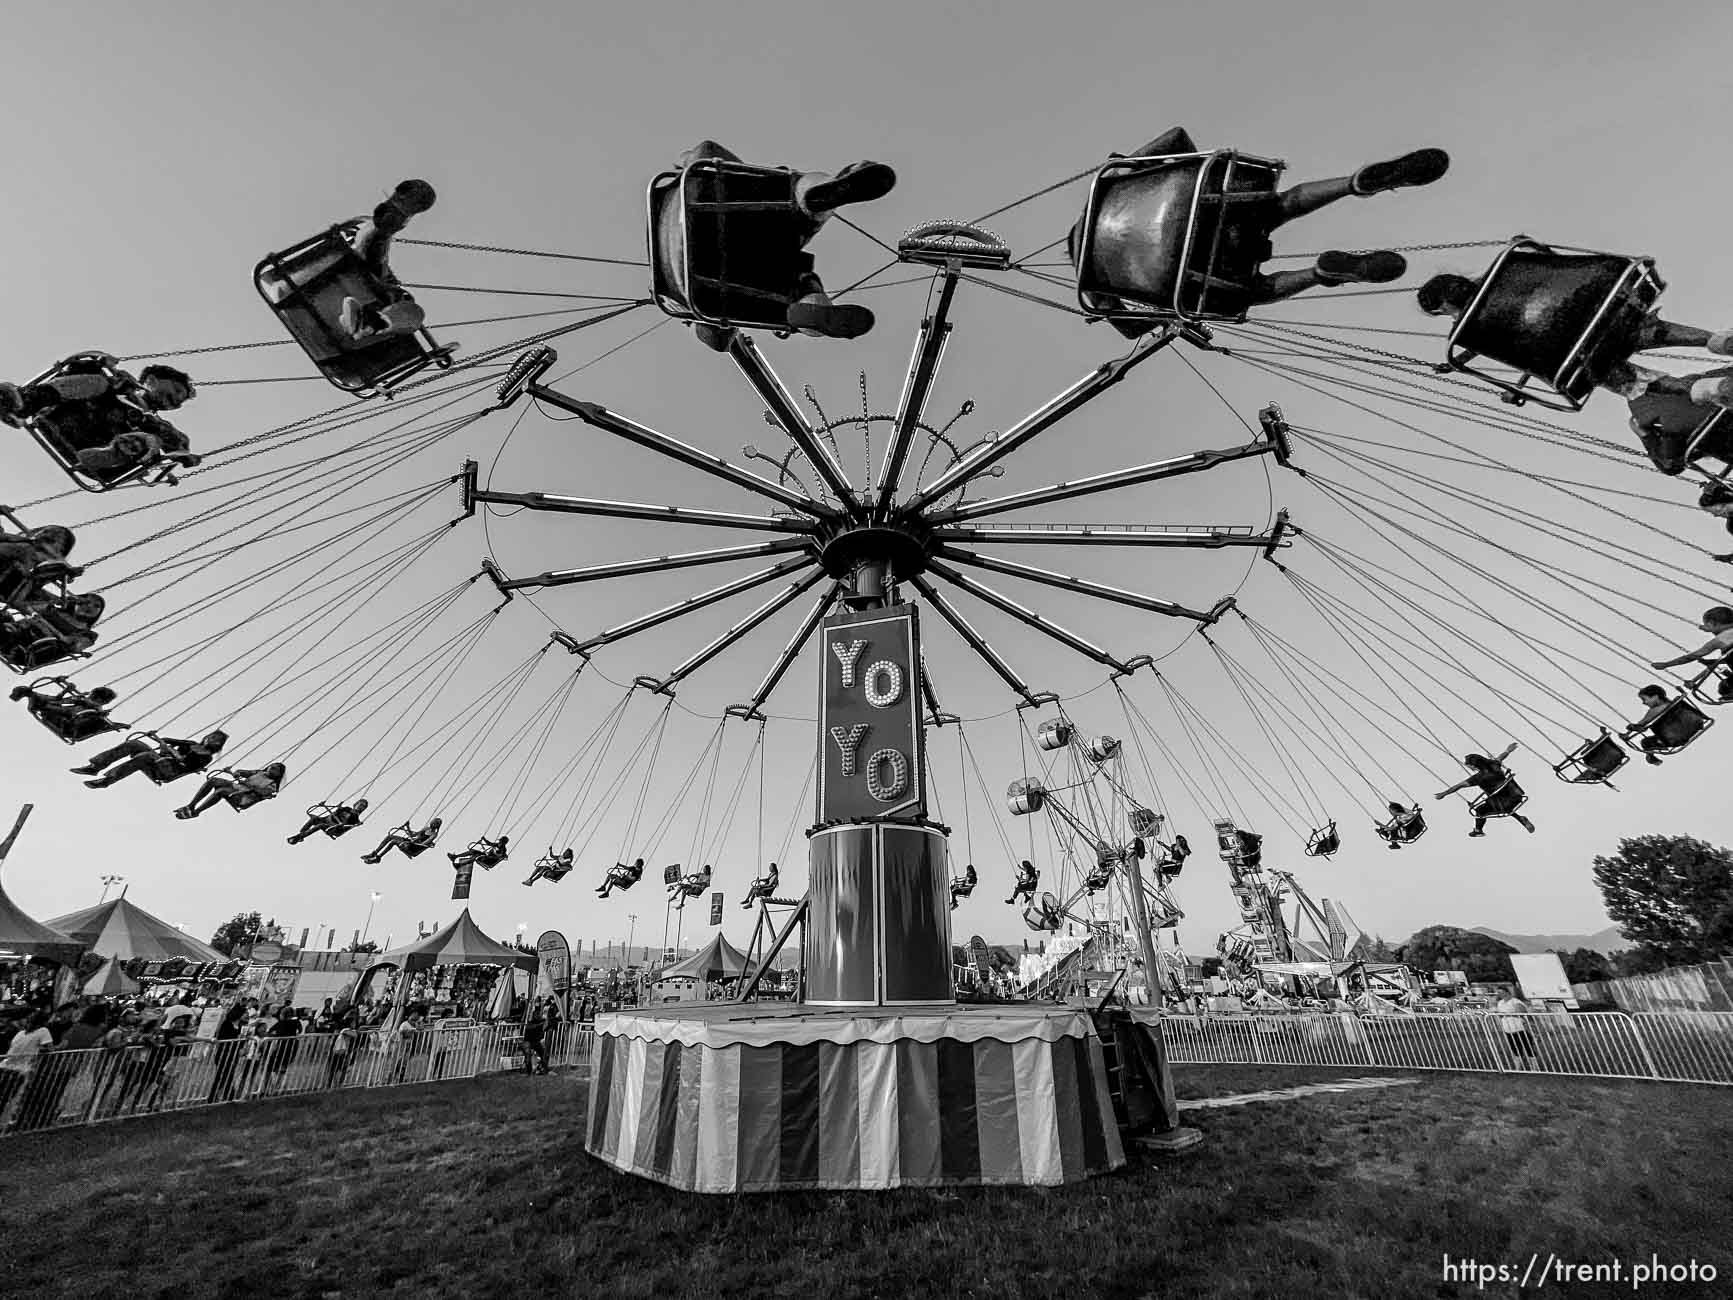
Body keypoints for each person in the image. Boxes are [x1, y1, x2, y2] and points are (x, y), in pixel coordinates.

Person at [1072, 127, 1449, 336]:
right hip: (1210, 206)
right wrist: (1182, 164)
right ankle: (1354, 184)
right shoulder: (1107, 187)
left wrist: (1167, 317)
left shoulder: (1092, 282)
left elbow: (1131, 330)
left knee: (1258, 292)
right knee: (1284, 204)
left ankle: (1321, 274)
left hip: (1199, 274)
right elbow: (1177, 137)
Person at [1418, 273, 1733, 475]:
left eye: (1442, 311)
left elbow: (1527, 356)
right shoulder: (1504, 278)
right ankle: (1714, 340)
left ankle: (1705, 389)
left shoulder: (1474, 328)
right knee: (1645, 330)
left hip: (1584, 356)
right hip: (1607, 319)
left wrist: (1512, 388)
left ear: (1444, 304)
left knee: (1640, 386)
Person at [673, 141, 896, 345]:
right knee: (789, 198)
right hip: (725, 218)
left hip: (718, 272)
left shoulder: (676, 291)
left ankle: (806, 311)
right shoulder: (687, 182)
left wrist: (710, 326)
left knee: (789, 294)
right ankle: (812, 195)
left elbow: (718, 341)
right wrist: (693, 160)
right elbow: (707, 148)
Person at [0, 357, 199, 476]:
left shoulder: (157, 424)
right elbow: (76, 370)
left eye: (179, 401)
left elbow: (179, 445)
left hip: (104, 450)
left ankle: (111, 454)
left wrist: (181, 455)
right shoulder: (118, 385)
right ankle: (23, 403)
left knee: (153, 437)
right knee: (98, 382)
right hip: (71, 419)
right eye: (174, 391)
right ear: (152, 380)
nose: (175, 400)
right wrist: (99, 364)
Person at [336, 180, 438, 344]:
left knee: (415, 311)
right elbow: (362, 245)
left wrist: (391, 284)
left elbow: (379, 260)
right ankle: (390, 221)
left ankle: (370, 325)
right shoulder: (360, 225)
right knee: (371, 237)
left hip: (372, 283)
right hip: (350, 263)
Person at [73, 728, 227, 789]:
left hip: (167, 770)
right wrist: (158, 739)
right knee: (135, 744)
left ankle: (107, 781)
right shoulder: (191, 744)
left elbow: (185, 764)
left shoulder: (205, 758)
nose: (212, 739)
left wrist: (171, 752)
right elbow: (167, 740)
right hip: (159, 759)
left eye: (216, 740)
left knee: (144, 756)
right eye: (212, 736)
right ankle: (95, 766)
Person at [1435, 745, 1535, 836]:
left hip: (1501, 804)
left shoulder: (1478, 778)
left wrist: (1444, 794)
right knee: (1498, 802)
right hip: (1515, 797)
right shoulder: (1494, 765)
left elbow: (1458, 786)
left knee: (1480, 811)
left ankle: (1478, 830)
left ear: (1474, 765)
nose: (1468, 767)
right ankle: (1521, 819)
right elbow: (1502, 756)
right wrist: (1508, 750)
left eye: (1469, 765)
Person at [1650, 606, 1733, 699]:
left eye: (1707, 625)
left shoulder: (1720, 640)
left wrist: (1667, 664)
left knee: (1724, 687)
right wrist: (1712, 661)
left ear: (1712, 623)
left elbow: (1691, 657)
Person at [8, 679, 124, 741]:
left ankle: (39, 703)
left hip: (70, 725)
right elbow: (59, 700)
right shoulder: (83, 701)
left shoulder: (96, 712)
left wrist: (114, 723)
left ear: (101, 701)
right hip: (57, 714)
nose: (90, 698)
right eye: (91, 696)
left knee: (71, 710)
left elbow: (96, 719)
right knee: (39, 697)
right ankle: (29, 695)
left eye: (93, 697)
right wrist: (67, 690)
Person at [0, 523, 82, 610]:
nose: (47, 535)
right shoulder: (25, 542)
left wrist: (69, 572)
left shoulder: (52, 560)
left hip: (12, 578)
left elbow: (60, 572)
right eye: (45, 532)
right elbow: (4, 537)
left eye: (55, 537)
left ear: (61, 549)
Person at [173, 762, 286, 819]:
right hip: (237, 788)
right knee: (213, 780)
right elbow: (243, 772)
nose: (272, 768)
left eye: (276, 769)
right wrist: (237, 773)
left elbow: (262, 793)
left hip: (245, 798)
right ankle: (191, 806)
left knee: (221, 791)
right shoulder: (258, 773)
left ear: (278, 774)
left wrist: (247, 784)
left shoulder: (272, 785)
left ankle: (197, 812)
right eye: (272, 766)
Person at [1621, 685, 1679, 765]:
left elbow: (1642, 726)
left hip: (1672, 737)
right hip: (1690, 726)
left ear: (1655, 697)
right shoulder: (1674, 703)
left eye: (1644, 699)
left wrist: (1629, 730)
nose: (1644, 703)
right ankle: (1651, 756)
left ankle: (1651, 756)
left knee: (1645, 742)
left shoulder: (1654, 711)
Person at [360, 816, 442, 864]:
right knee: (390, 837)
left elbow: (423, 843)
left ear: (437, 826)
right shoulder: (426, 828)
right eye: (434, 822)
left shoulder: (434, 835)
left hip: (414, 847)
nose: (433, 824)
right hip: (410, 842)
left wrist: (412, 841)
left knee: (393, 842)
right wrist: (407, 827)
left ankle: (378, 858)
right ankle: (374, 853)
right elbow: (413, 835)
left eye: (436, 824)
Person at [287, 798, 369, 845]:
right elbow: (335, 811)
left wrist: (357, 824)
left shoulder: (355, 818)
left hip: (334, 828)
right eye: (360, 804)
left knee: (321, 825)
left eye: (363, 807)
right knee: (314, 819)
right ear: (356, 804)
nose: (361, 807)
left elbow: (351, 825)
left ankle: (299, 837)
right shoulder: (347, 808)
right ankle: (300, 835)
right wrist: (323, 805)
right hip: (327, 820)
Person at [1495, 988, 1537, 1068]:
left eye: (1501, 992)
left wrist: (1506, 1014)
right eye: (1498, 993)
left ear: (1507, 992)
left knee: (1528, 1048)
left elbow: (1521, 1013)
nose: (1500, 994)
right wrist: (1499, 1014)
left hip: (1520, 1028)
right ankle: (1518, 1067)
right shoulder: (1500, 1003)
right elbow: (1501, 1015)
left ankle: (1534, 1067)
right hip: (1508, 1029)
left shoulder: (1516, 1001)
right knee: (1515, 1049)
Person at [521, 1004, 548, 1077]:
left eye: (539, 1014)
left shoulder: (542, 1021)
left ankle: (544, 1070)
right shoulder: (530, 1023)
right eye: (537, 1014)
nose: (538, 1015)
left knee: (544, 1053)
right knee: (528, 1055)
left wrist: (546, 1018)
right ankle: (529, 1072)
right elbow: (531, 1027)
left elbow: (546, 1025)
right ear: (533, 1015)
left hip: (536, 1042)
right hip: (528, 1042)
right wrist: (541, 1023)